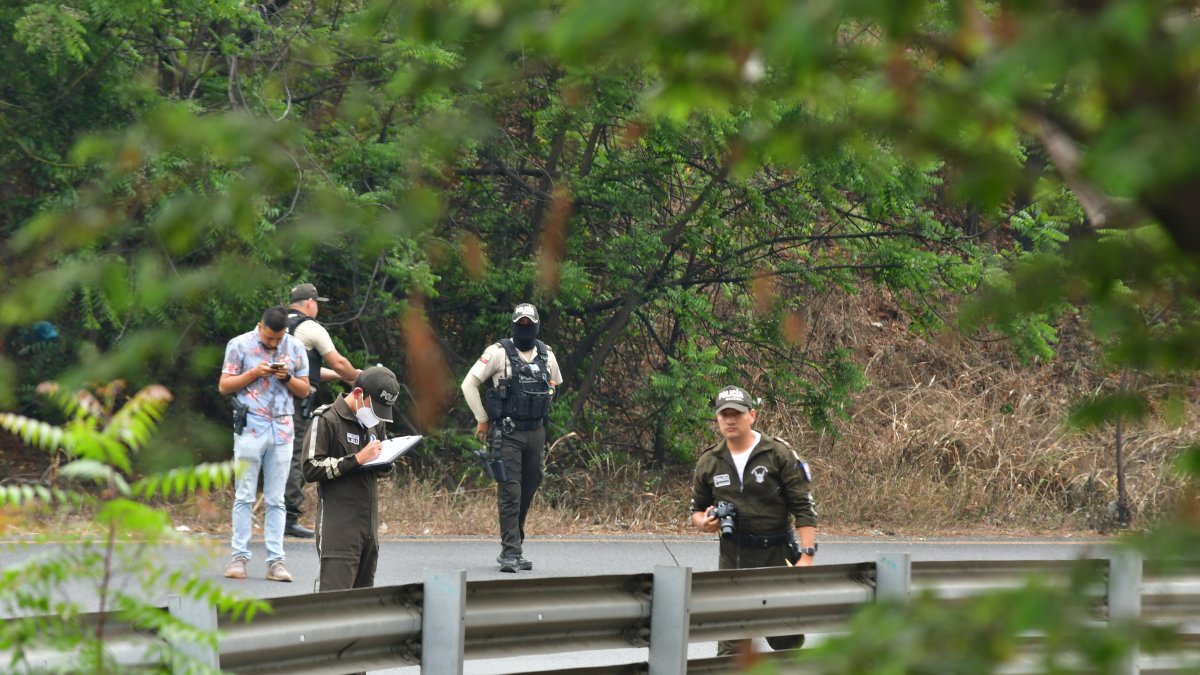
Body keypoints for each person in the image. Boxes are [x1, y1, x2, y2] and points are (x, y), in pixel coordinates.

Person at [689, 385, 817, 656]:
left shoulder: (778, 454)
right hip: (734, 557)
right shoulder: (710, 461)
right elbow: (696, 510)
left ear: (752, 415)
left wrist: (807, 556)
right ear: (717, 418)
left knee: (786, 641)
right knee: (731, 647)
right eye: (725, 414)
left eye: (737, 413)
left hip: (777, 555)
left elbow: (804, 507)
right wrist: (704, 522)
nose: (730, 420)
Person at [461, 303, 562, 573]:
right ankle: (510, 552)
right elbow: (468, 384)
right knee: (511, 491)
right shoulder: (497, 353)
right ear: (514, 325)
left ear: (537, 325)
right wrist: (482, 418)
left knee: (529, 488)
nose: (525, 328)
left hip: (536, 432)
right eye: (522, 324)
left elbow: (554, 385)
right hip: (507, 432)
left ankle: (515, 542)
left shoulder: (546, 355)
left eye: (530, 324)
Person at [219, 306, 311, 582]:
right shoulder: (239, 345)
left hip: (282, 428)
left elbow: (305, 389)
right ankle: (239, 558)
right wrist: (254, 373)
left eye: (277, 338)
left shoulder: (295, 347)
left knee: (276, 499)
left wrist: (287, 377)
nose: (272, 344)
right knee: (244, 494)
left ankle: (276, 562)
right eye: (269, 338)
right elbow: (224, 385)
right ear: (260, 327)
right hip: (250, 427)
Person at [301, 365, 400, 592]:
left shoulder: (376, 422)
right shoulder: (327, 419)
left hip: (368, 529)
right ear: (357, 394)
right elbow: (310, 467)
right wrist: (356, 459)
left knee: (362, 604)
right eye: (374, 408)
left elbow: (380, 463)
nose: (377, 416)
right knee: (333, 601)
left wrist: (387, 461)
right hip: (339, 529)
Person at [283, 283, 362, 539]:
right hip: (296, 401)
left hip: (271, 401)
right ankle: (289, 517)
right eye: (317, 303)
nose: (317, 308)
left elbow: (312, 370)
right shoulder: (310, 327)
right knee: (296, 455)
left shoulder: (277, 323)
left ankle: (278, 513)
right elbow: (337, 361)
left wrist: (343, 377)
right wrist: (358, 378)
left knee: (276, 456)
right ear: (309, 303)